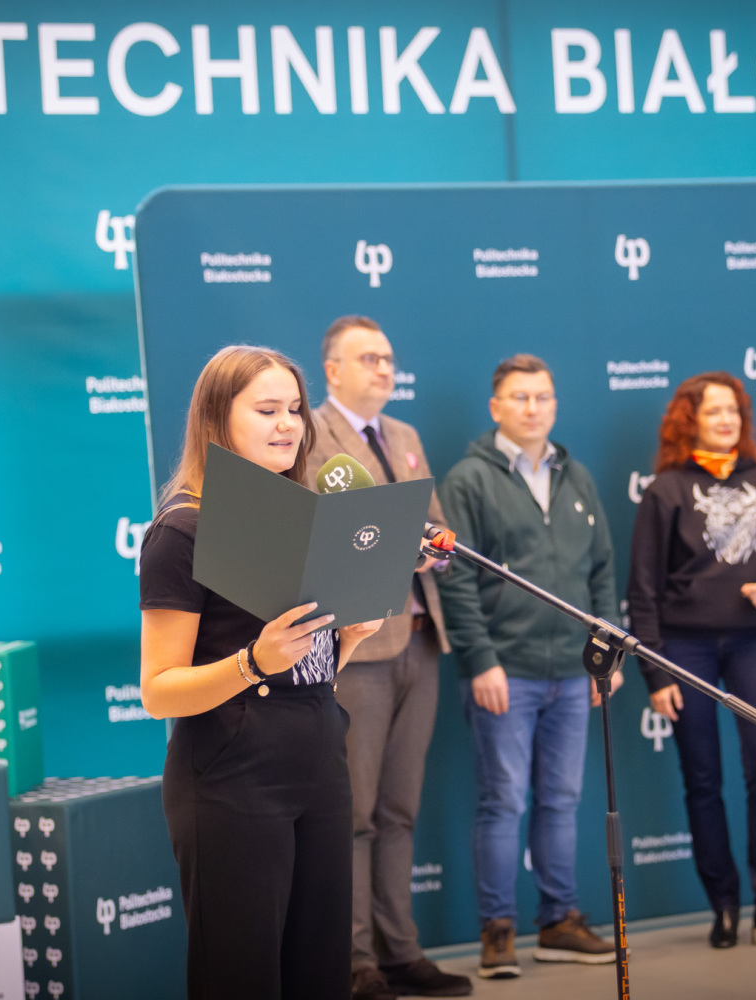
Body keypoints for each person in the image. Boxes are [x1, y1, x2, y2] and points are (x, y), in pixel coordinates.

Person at [138, 345, 385, 1000]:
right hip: (230, 784)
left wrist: (347, 641)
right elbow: (159, 691)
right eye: (267, 409)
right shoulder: (183, 530)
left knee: (320, 976)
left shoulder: (304, 521)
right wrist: (252, 662)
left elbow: (303, 678)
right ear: (217, 418)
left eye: (295, 410)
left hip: (319, 770)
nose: (288, 425)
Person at [436, 354, 621, 980]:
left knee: (562, 800)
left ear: (555, 405)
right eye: (519, 397)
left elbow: (601, 571)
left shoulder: (576, 476)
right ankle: (498, 932)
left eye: (542, 396)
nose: (533, 408)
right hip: (504, 672)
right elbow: (456, 580)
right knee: (503, 801)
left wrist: (605, 656)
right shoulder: (468, 479)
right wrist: (480, 660)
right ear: (496, 407)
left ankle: (559, 922)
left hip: (572, 671)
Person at [303, 316, 471, 1000]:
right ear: (332, 370)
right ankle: (354, 963)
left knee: (400, 809)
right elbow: (319, 537)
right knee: (356, 814)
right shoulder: (310, 436)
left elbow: (435, 527)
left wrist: (436, 547)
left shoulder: (404, 435)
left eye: (388, 358)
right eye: (368, 357)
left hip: (422, 641)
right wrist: (396, 542)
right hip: (360, 647)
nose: (383, 368)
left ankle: (402, 952)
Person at [628, 372, 756, 951]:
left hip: (754, 643)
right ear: (690, 421)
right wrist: (655, 672)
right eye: (713, 412)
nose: (727, 420)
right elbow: (642, 591)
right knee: (702, 779)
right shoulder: (666, 490)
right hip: (685, 651)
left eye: (733, 411)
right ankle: (725, 907)